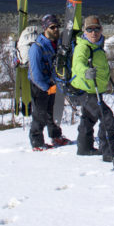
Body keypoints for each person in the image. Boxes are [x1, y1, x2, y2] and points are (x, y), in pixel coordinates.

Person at [67, 15, 114, 162]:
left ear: (101, 29)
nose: (93, 33)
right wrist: (85, 72)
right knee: (107, 119)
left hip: (93, 89)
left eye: (96, 29)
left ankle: (84, 148)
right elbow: (77, 64)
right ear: (85, 31)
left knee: (88, 118)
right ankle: (109, 152)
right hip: (85, 91)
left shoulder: (98, 46)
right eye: (90, 29)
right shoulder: (83, 47)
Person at [27, 14, 70, 151]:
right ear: (45, 28)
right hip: (40, 87)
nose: (56, 29)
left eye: (57, 26)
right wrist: (46, 87)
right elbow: (35, 74)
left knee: (53, 113)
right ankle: (37, 141)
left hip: (54, 84)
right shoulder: (37, 47)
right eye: (52, 27)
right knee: (40, 115)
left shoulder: (57, 45)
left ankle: (56, 136)